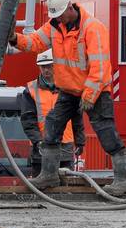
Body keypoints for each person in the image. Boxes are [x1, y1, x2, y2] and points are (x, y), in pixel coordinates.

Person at [14, 0, 126, 195]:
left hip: (95, 91)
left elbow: (101, 68)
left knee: (106, 131)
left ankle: (122, 179)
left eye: (59, 14)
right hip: (69, 90)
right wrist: (15, 39)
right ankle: (49, 173)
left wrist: (89, 95)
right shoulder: (54, 26)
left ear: (70, 7)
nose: (57, 18)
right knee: (52, 125)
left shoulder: (92, 28)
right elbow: (34, 42)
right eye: (55, 16)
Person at [19, 49, 85, 178]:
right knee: (41, 189)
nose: (46, 70)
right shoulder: (31, 90)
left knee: (66, 191)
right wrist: (37, 141)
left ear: (55, 66)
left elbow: (77, 117)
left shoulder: (68, 87)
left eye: (49, 66)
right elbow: (28, 120)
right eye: (43, 67)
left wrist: (80, 141)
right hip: (41, 147)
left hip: (65, 147)